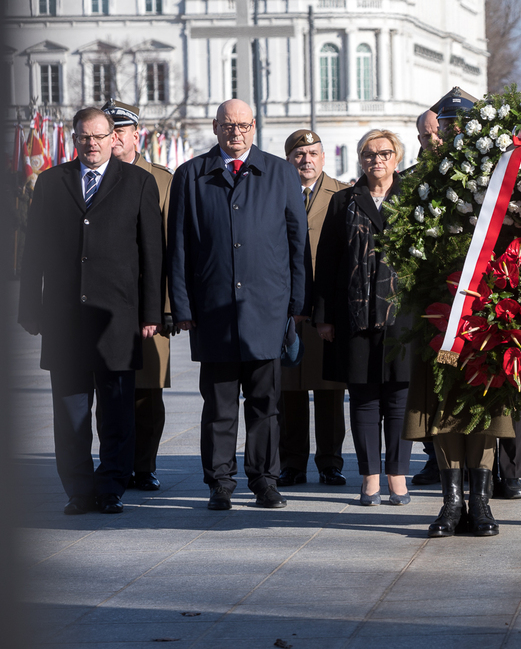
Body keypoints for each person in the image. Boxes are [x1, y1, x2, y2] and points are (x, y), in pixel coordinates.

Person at [19, 107, 162, 515]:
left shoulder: (138, 182)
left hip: (116, 320)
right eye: (85, 136)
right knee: (70, 415)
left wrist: (152, 312)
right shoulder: (51, 182)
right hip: (64, 320)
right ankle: (79, 491)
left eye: (100, 136)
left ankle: (111, 487)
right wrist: (29, 308)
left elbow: (152, 253)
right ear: (75, 138)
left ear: (113, 138)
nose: (92, 144)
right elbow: (33, 251)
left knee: (117, 414)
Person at [167, 99, 307, 511]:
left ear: (254, 126)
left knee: (266, 405)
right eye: (228, 125)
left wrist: (298, 302)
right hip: (214, 311)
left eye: (243, 125)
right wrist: (182, 306)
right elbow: (179, 247)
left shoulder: (280, 172)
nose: (236, 133)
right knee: (219, 406)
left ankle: (265, 481)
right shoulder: (191, 175)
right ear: (215, 127)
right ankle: (220, 483)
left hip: (267, 310)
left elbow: (297, 243)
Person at [402, 86, 513, 538]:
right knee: (445, 401)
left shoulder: (499, 177)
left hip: (486, 313)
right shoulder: (419, 181)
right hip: (440, 315)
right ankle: (452, 502)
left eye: (461, 126)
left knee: (483, 400)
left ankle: (480, 502)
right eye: (447, 126)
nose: (453, 134)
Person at [314, 130, 413, 506]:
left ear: (396, 158)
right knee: (364, 398)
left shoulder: (413, 198)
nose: (377, 160)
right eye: (369, 154)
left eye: (384, 153)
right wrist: (323, 316)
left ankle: (397, 476)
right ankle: (370, 476)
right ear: (360, 160)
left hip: (402, 316)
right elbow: (327, 261)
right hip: (354, 315)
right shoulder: (344, 200)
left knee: (399, 399)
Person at [101, 99, 174, 492]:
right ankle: (115, 464)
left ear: (135, 135)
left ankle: (143, 466)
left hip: (149, 305)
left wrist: (167, 307)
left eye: (120, 131)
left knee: (147, 392)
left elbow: (173, 248)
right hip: (106, 306)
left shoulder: (161, 180)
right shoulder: (93, 176)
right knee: (111, 392)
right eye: (108, 131)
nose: (114, 138)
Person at [276, 130, 350, 488]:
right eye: (299, 154)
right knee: (288, 390)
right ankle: (291, 463)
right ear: (289, 159)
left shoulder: (344, 194)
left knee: (329, 390)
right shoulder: (275, 191)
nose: (306, 160)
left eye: (313, 153)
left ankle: (330, 462)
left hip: (326, 307)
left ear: (323, 157)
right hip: (286, 307)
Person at [409, 108, 444, 487]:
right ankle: (434, 457)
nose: (432, 140)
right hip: (428, 299)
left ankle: (492, 465)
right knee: (430, 382)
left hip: (469, 293)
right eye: (424, 135)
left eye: (437, 132)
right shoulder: (412, 180)